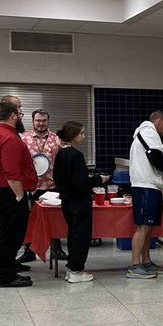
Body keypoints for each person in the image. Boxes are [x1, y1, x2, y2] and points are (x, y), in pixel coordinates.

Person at [0, 98, 37, 288]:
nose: (21, 117)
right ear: (13, 115)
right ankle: (5, 277)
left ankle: (8, 271)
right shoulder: (10, 138)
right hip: (9, 193)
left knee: (6, 235)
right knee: (11, 236)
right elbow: (12, 172)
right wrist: (20, 195)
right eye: (20, 113)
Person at [128, 110, 163, 280]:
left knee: (148, 227)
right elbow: (156, 157)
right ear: (158, 121)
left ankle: (146, 262)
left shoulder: (142, 133)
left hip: (148, 185)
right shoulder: (149, 133)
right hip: (146, 186)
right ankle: (134, 265)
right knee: (143, 227)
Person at [53, 121, 95, 283]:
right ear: (73, 134)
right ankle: (77, 270)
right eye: (82, 133)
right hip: (79, 201)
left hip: (67, 200)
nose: (84, 136)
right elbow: (81, 182)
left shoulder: (60, 154)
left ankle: (72, 267)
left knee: (73, 234)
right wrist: (97, 179)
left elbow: (58, 179)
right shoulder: (76, 155)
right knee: (81, 236)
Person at [21, 108, 64, 261]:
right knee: (29, 220)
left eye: (44, 120)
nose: (41, 123)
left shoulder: (56, 139)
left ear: (48, 121)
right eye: (38, 120)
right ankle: (29, 251)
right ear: (32, 121)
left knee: (54, 220)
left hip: (52, 185)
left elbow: (62, 161)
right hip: (31, 187)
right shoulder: (24, 139)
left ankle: (56, 250)